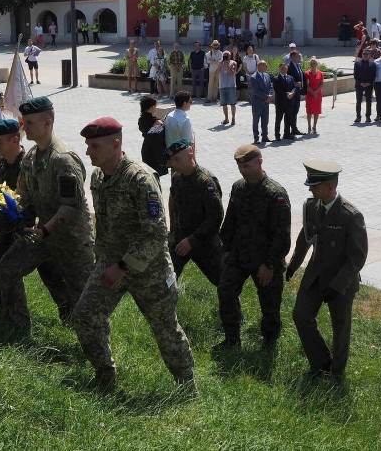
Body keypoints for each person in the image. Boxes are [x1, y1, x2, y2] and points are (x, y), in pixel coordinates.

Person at [73, 117, 196, 391]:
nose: (88, 152)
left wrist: (123, 266)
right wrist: (101, 258)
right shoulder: (97, 177)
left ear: (116, 145)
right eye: (87, 145)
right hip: (110, 264)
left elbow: (155, 232)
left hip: (149, 270)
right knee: (85, 315)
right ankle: (105, 375)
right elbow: (102, 224)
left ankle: (186, 386)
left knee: (165, 329)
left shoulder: (140, 178)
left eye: (94, 146)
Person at [0, 96, 96, 333]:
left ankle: (94, 350)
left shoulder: (63, 160)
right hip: (44, 235)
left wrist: (45, 230)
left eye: (29, 123)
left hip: (72, 241)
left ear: (47, 122)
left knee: (84, 300)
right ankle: (18, 328)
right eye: (24, 122)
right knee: (8, 267)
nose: (24, 128)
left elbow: (70, 206)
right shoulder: (31, 158)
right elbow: (22, 195)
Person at [287, 160, 368, 380]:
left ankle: (337, 373)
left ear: (331, 186)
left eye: (315, 185)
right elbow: (305, 239)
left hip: (341, 281)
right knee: (301, 315)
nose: (310, 189)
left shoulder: (350, 216)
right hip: (315, 275)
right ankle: (321, 363)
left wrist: (338, 285)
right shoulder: (312, 207)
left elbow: (357, 257)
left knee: (340, 329)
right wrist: (293, 265)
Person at [0, 119, 70, 321]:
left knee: (51, 273)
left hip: (35, 227)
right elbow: (9, 197)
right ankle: (5, 308)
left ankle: (71, 315)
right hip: (14, 227)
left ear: (14, 140)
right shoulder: (4, 162)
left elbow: (35, 202)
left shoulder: (28, 164)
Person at [215, 144, 291, 351]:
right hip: (239, 255)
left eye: (246, 166)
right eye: (240, 167)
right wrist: (225, 249)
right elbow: (230, 221)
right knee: (226, 292)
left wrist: (269, 264)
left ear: (260, 162)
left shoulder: (276, 194)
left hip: (266, 260)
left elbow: (282, 236)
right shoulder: (238, 187)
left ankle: (269, 342)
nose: (242, 171)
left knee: (270, 305)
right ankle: (232, 340)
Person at [164, 139, 223, 286]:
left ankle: (230, 309)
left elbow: (215, 217)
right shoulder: (176, 178)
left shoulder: (206, 181)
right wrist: (173, 231)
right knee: (166, 281)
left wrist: (192, 240)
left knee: (224, 284)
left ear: (190, 156)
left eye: (177, 159)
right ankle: (165, 307)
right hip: (180, 240)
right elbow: (174, 203)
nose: (173, 164)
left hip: (205, 242)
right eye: (171, 160)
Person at [138, 94, 167, 176]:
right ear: (151, 107)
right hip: (155, 151)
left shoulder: (141, 119)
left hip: (145, 148)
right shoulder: (156, 122)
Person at [249, 60, 274, 144]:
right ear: (258, 66)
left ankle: (265, 136)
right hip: (257, 102)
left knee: (265, 120)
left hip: (266, 103)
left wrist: (270, 95)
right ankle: (256, 138)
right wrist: (266, 96)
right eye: (263, 66)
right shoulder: (253, 77)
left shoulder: (267, 75)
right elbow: (255, 91)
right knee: (256, 120)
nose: (265, 68)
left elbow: (270, 87)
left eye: (265, 66)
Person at [272, 62, 297, 140]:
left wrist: (292, 93)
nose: (284, 70)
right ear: (279, 69)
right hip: (280, 103)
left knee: (288, 118)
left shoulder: (290, 78)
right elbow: (277, 90)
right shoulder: (276, 78)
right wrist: (287, 93)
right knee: (278, 119)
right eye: (282, 68)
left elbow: (294, 87)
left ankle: (287, 134)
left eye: (285, 68)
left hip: (289, 102)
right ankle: (277, 135)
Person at [353, 49, 377, 123]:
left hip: (369, 85)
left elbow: (374, 75)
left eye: (366, 54)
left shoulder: (373, 64)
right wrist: (360, 83)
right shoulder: (357, 63)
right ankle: (358, 117)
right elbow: (355, 75)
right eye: (364, 54)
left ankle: (368, 117)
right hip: (359, 85)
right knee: (358, 101)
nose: (365, 55)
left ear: (369, 55)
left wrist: (369, 83)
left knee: (368, 101)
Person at [304, 56, 324, 134]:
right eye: (311, 63)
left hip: (318, 94)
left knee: (316, 111)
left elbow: (322, 83)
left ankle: (314, 126)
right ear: (310, 64)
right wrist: (313, 92)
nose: (313, 65)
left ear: (317, 64)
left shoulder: (320, 73)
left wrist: (316, 92)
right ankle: (309, 125)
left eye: (314, 63)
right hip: (310, 94)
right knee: (309, 111)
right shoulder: (307, 73)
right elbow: (306, 85)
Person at [287, 51, 305, 134]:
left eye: (299, 56)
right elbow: (287, 80)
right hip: (292, 92)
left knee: (296, 110)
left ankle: (294, 128)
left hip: (298, 92)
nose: (299, 58)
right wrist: (295, 84)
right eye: (298, 57)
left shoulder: (298, 66)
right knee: (292, 111)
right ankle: (291, 129)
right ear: (293, 57)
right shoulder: (289, 67)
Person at [219, 51, 238, 126]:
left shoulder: (233, 63)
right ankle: (226, 118)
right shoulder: (220, 63)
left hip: (231, 86)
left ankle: (233, 118)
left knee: (232, 103)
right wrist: (220, 65)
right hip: (222, 85)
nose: (226, 57)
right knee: (224, 104)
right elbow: (216, 72)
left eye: (227, 55)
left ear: (230, 56)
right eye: (224, 56)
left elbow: (232, 73)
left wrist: (227, 65)